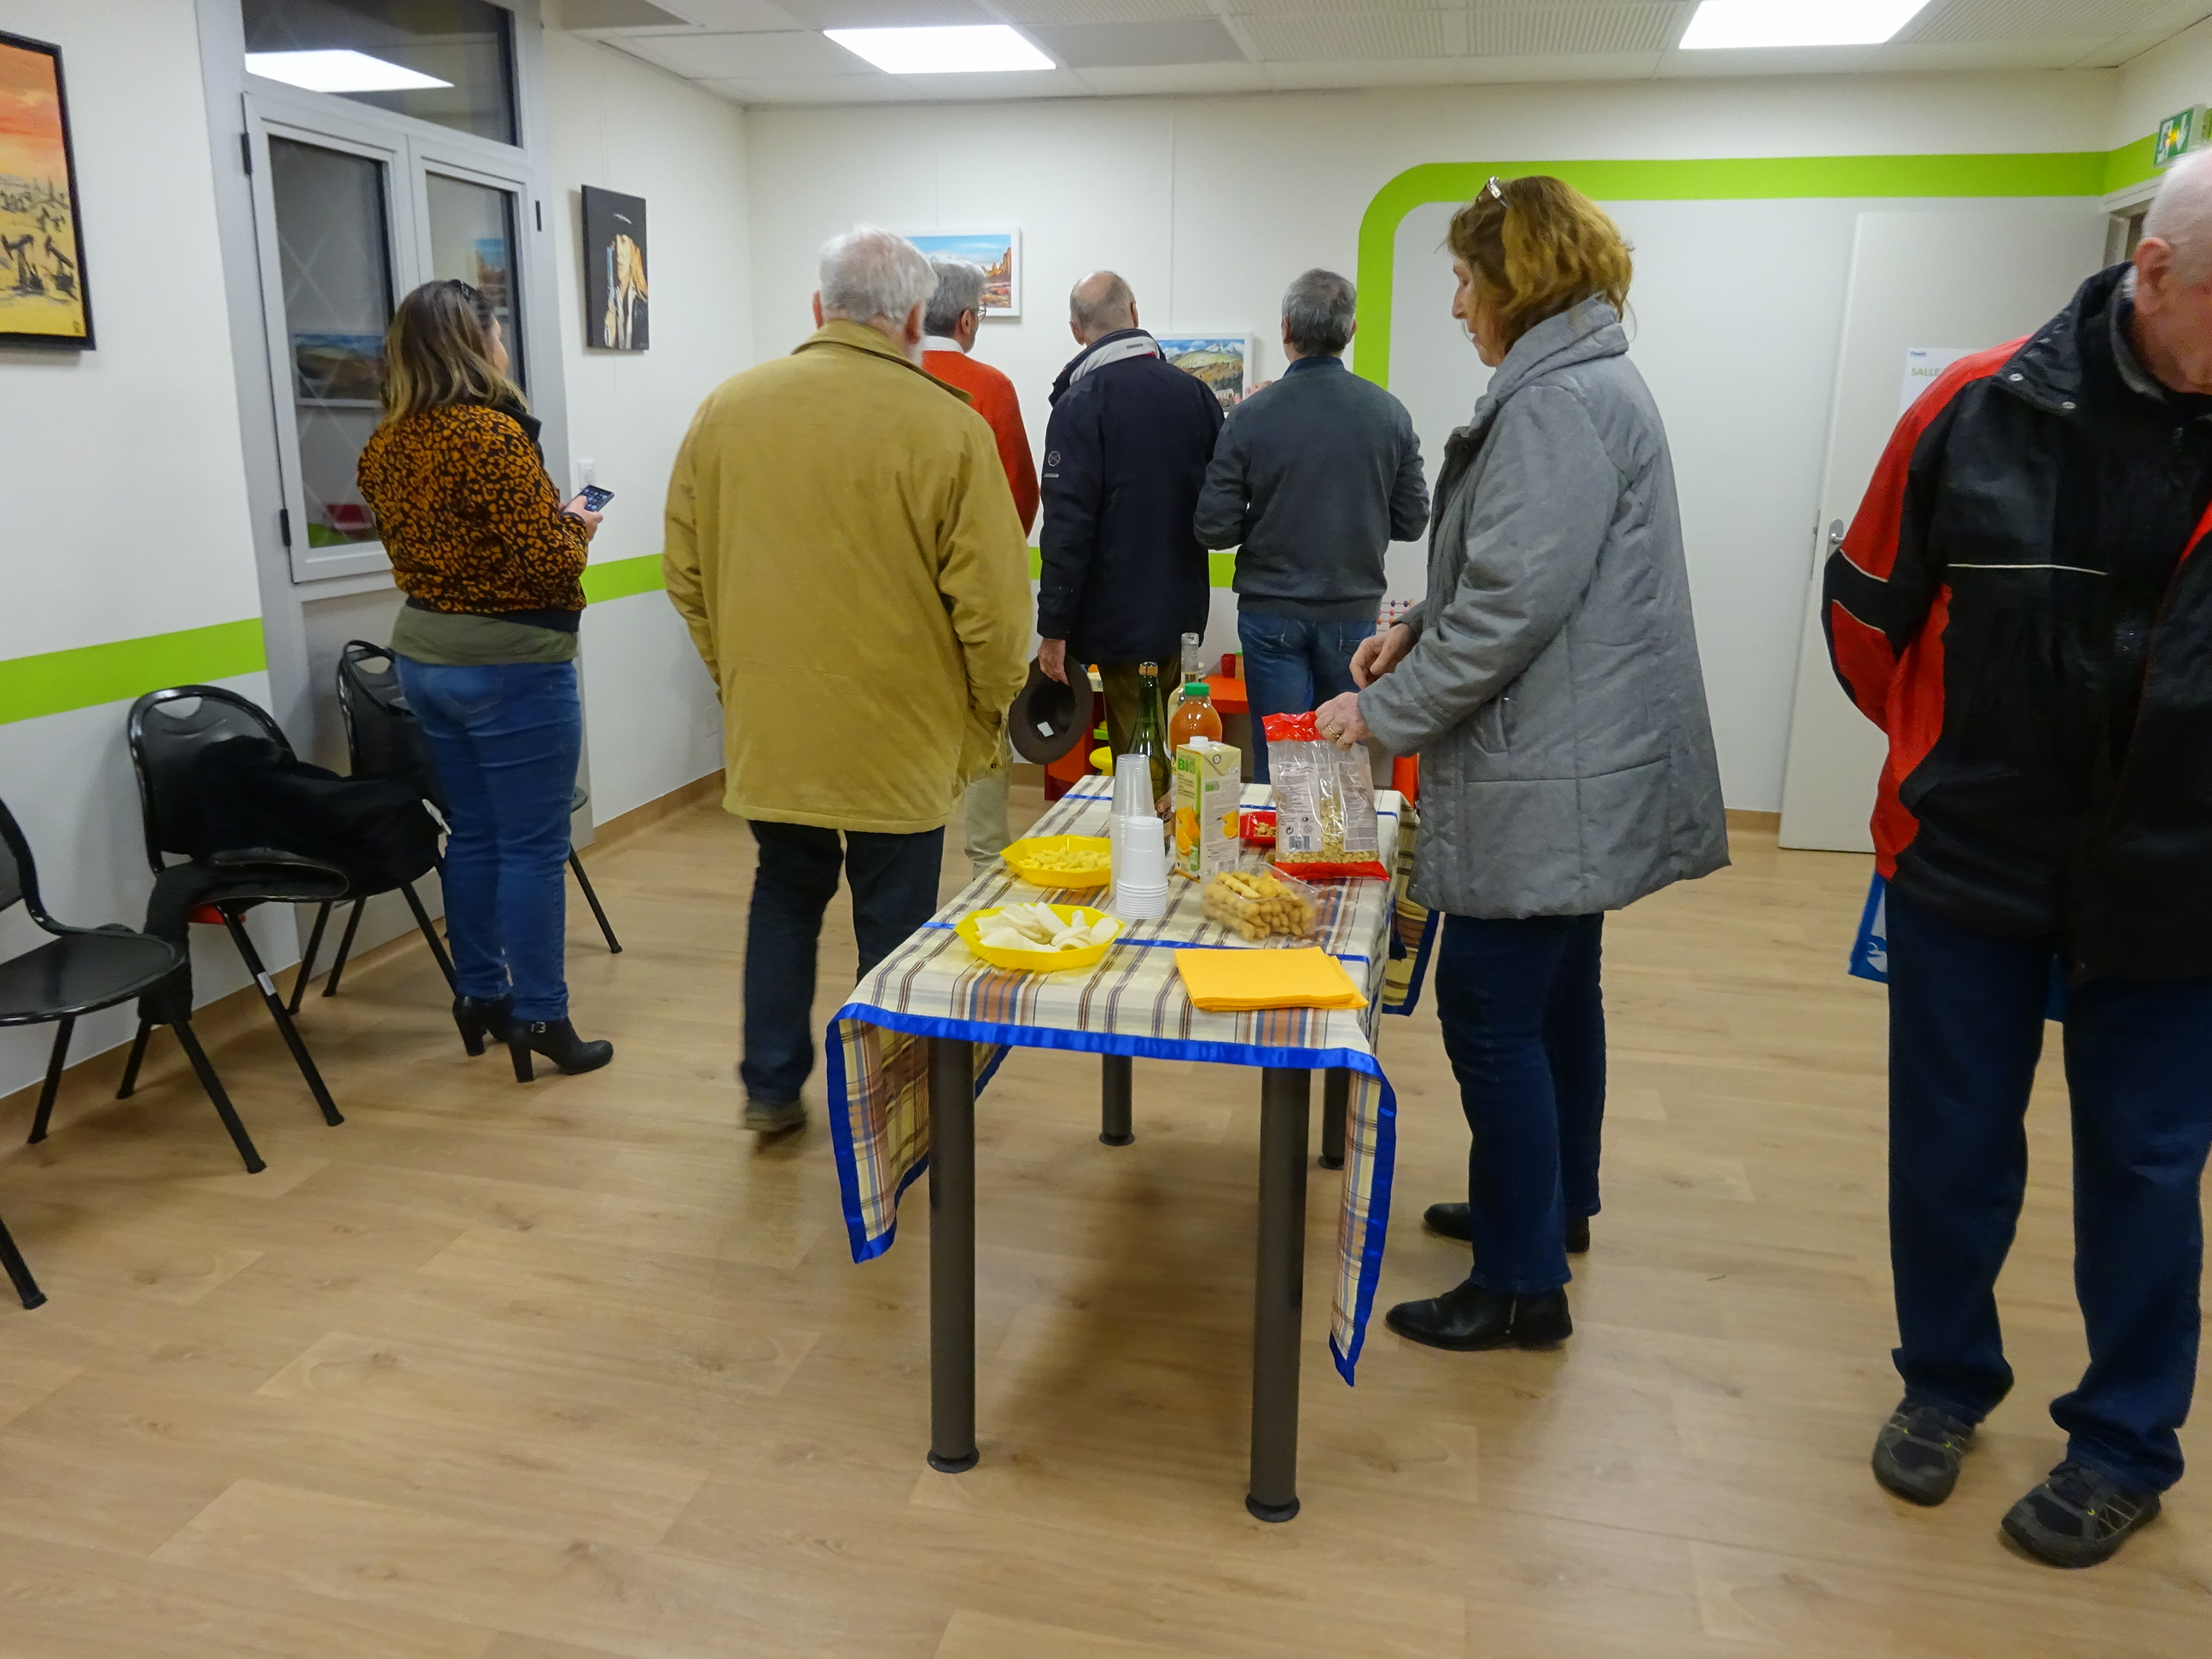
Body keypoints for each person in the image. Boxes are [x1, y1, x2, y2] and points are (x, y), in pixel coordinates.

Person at [1823, 153, 2212, 1571]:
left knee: (2147, 1172)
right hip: (1973, 857)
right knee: (1950, 1146)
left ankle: (2123, 1442)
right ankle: (1943, 1380)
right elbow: (1866, 614)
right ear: (2155, 274)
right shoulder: (1972, 408)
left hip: (2180, 884)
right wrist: (1947, 761)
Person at [1316, 176, 1726, 1353]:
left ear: (1519, 282)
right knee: (1555, 1002)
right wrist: (1414, 623)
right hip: (1572, 766)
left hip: (1547, 773)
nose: (1456, 305)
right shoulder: (1585, 385)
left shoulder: (1554, 405)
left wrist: (1378, 714)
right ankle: (1549, 1205)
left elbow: (1507, 614)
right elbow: (1511, 571)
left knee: (1492, 1013)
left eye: (1465, 280)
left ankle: (1519, 1282)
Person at [664, 227, 1032, 1135]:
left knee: (785, 893)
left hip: (776, 726)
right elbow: (994, 608)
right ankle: (888, 1106)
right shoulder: (950, 426)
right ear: (914, 318)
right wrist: (986, 711)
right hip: (902, 733)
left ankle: (769, 1086)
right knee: (896, 920)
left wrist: (738, 676)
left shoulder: (726, 410)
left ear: (818, 308)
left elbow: (686, 574)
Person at [356, 279, 614, 1080]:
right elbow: (547, 563)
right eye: (497, 334)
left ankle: (480, 995)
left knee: (472, 834)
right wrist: (580, 524)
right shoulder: (489, 436)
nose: (504, 347)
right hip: (512, 666)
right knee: (534, 847)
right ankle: (541, 1014)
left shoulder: (385, 444)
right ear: (476, 345)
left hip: (425, 659)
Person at [1194, 268, 1429, 782]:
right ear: (1351, 331)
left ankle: (1271, 837)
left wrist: (1271, 513)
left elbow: (1213, 528)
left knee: (1279, 761)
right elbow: (1413, 521)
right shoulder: (1389, 414)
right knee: (1340, 759)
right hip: (1352, 611)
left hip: (1271, 611)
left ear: (1285, 329)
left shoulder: (1250, 416)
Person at [1036, 271, 1223, 756]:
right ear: (1135, 312)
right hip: (1184, 611)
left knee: (1137, 759)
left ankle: (1145, 808)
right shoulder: (1196, 395)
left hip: (1116, 619)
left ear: (1077, 330)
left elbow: (1067, 528)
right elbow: (1220, 503)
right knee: (1180, 749)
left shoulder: (1079, 403)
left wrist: (1054, 629)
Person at [923, 258, 1040, 879]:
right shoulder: (989, 387)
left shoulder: (884, 378)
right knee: (988, 715)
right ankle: (987, 863)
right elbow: (1020, 490)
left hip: (898, 596)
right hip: (974, 589)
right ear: (967, 319)